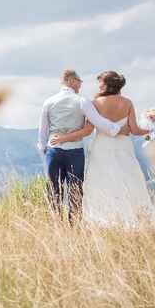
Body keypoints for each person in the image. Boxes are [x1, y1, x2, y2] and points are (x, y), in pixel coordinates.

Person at [49, 71, 153, 226]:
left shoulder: (95, 103)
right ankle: (135, 218)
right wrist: (151, 129)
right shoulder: (127, 102)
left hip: (102, 145)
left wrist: (63, 138)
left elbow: (88, 130)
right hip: (123, 145)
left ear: (107, 84)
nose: (98, 85)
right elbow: (135, 130)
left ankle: (104, 219)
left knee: (101, 180)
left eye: (100, 82)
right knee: (128, 178)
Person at [37, 70, 129, 223]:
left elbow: (43, 131)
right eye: (79, 81)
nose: (81, 84)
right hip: (74, 151)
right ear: (71, 80)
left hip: (53, 151)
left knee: (54, 190)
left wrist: (45, 150)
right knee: (76, 190)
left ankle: (56, 226)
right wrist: (118, 129)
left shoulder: (48, 102)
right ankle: (75, 226)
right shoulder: (82, 101)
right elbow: (98, 121)